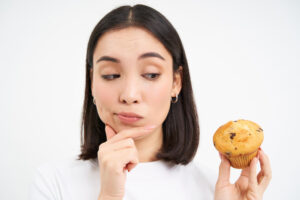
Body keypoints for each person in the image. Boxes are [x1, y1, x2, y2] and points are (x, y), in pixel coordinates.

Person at [29, 4, 272, 200]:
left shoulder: (216, 190)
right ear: (92, 81)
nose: (130, 94)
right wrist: (109, 196)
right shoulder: (53, 183)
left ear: (176, 82)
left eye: (151, 74)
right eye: (111, 75)